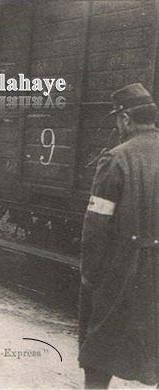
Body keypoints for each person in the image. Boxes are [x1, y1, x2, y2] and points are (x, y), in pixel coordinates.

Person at [78, 83, 159, 388]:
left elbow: (96, 226)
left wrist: (90, 274)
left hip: (123, 269)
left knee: (100, 345)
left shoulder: (116, 159)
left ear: (125, 119)